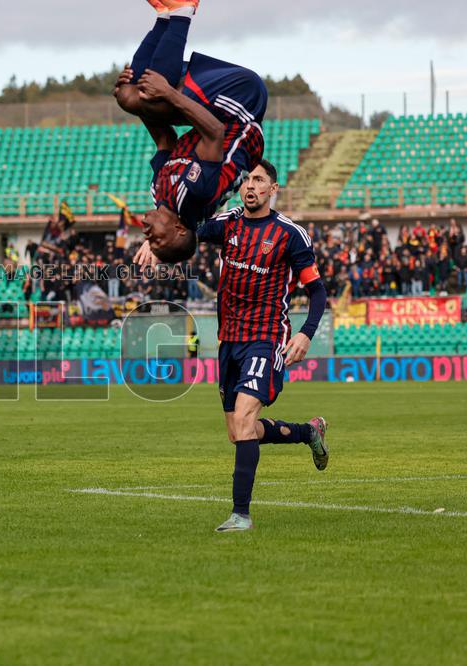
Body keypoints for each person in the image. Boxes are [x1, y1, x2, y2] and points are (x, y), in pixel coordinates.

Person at [142, 161, 329, 533]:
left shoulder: (289, 234)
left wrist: (305, 333)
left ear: (273, 188)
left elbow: (317, 290)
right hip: (229, 341)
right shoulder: (227, 223)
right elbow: (186, 231)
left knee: (244, 420)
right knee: (240, 431)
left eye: (259, 180)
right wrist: (156, 244)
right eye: (246, 179)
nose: (250, 186)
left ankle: (240, 514)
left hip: (266, 337)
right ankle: (309, 433)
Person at [118, 0, 267, 264]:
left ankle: (164, 17)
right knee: (157, 97)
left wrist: (133, 99)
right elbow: (215, 133)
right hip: (242, 104)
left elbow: (165, 139)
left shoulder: (159, 191)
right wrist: (167, 93)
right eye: (157, 239)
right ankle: (183, 10)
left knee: (129, 96)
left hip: (212, 111)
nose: (146, 234)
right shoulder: (196, 195)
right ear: (179, 229)